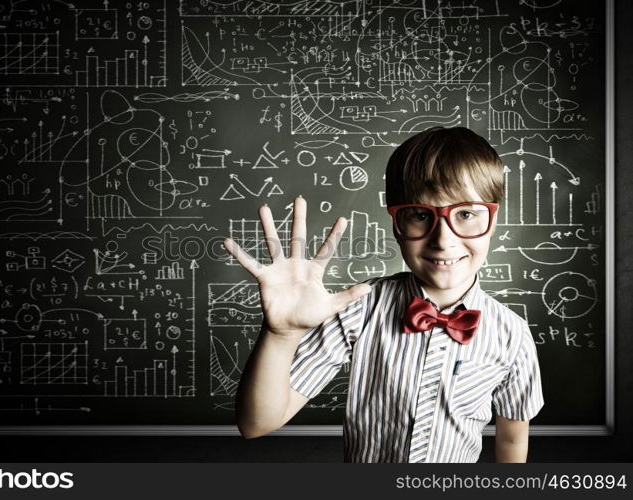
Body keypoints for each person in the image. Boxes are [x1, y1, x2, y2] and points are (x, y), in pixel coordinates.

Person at [222, 126, 544, 463]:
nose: (443, 240)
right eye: (420, 215)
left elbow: (511, 441)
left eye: (466, 214)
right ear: (396, 222)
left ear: (492, 219)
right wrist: (281, 334)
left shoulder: (513, 335)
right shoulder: (361, 307)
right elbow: (256, 423)